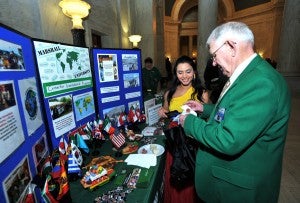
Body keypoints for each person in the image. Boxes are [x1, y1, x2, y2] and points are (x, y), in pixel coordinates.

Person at [179, 21, 291, 202]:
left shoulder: (261, 82)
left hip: (238, 191)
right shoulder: (247, 75)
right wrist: (205, 109)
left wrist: (189, 123)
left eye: (214, 55)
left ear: (231, 46)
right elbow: (234, 111)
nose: (213, 63)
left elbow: (228, 139)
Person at [158, 55, 209, 203]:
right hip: (174, 144)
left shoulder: (202, 93)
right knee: (174, 178)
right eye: (180, 72)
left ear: (194, 72)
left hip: (193, 144)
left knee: (189, 181)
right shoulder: (169, 93)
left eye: (188, 71)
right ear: (176, 74)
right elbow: (165, 111)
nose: (184, 76)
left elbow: (209, 120)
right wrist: (162, 111)